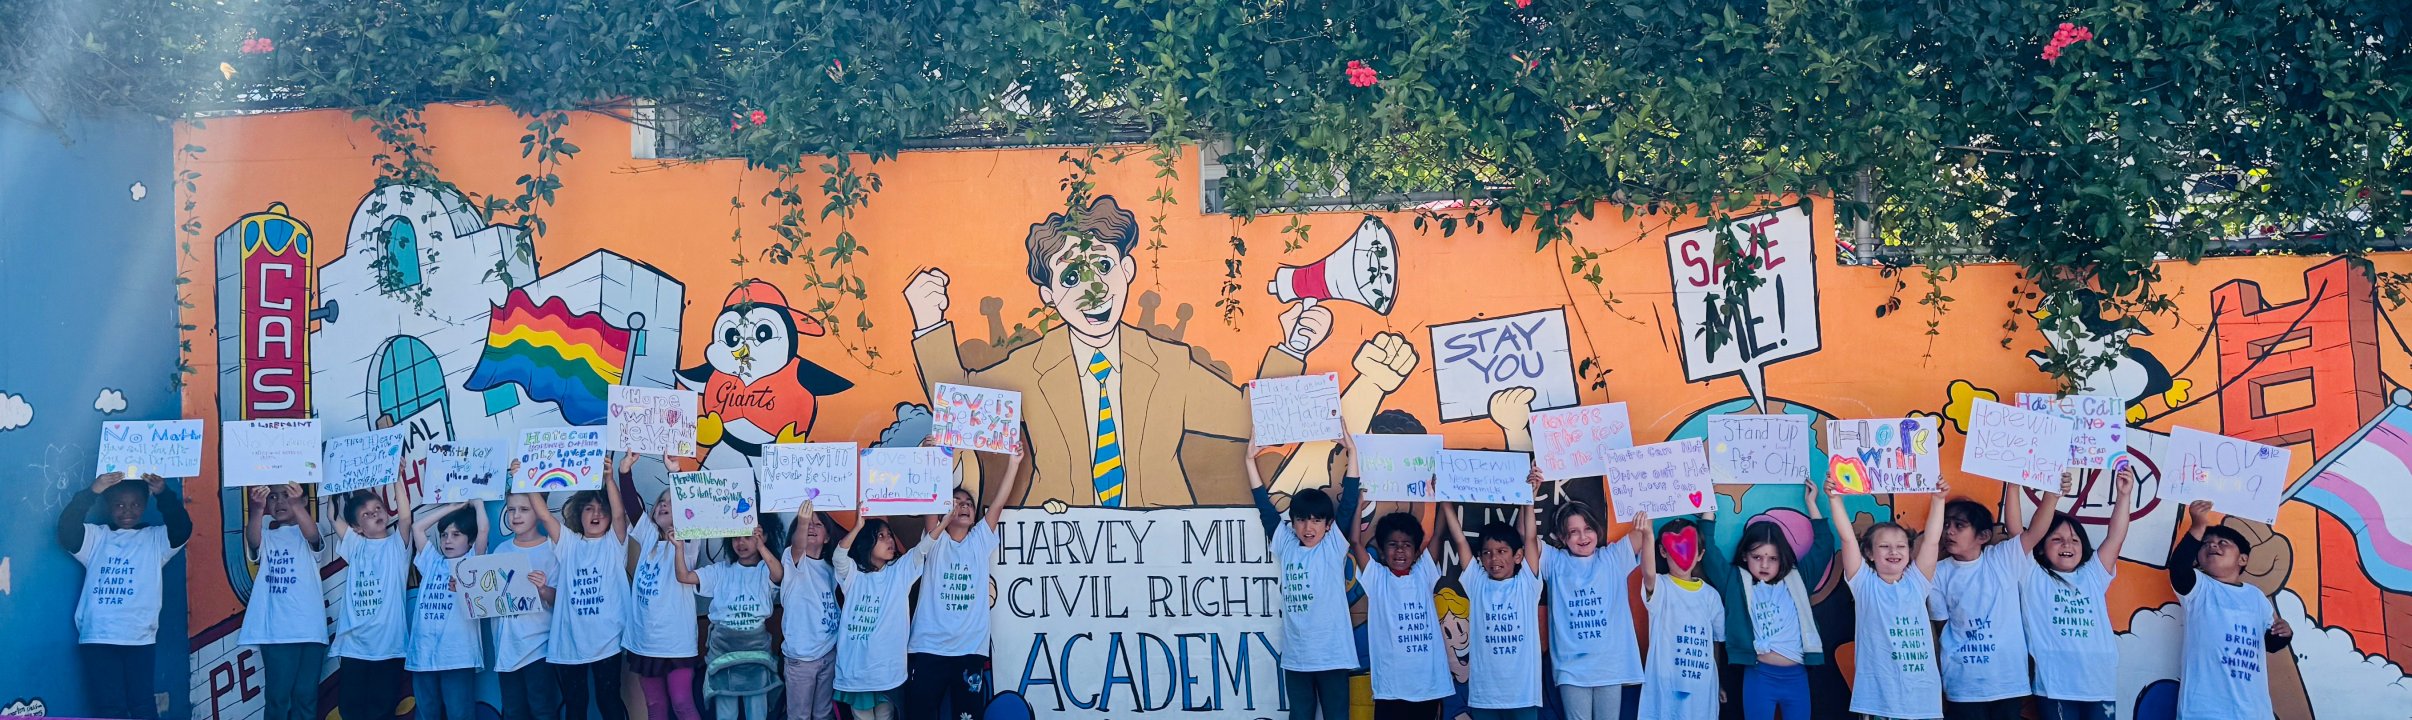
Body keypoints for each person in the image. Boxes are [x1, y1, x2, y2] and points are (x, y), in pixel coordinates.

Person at [902, 194, 1334, 508]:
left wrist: (1293, 346)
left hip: (1159, 548)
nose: (1092, 290)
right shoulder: (1032, 368)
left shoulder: (1169, 365)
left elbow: (1247, 419)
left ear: (1127, 270)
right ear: (1048, 296)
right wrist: (929, 323)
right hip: (1056, 545)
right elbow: (958, 413)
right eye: (1071, 278)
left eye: (1104, 266)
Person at [904, 445, 1025, 720]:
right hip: (929, 648)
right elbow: (930, 505)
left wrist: (1014, 463)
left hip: (970, 650)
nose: (964, 506)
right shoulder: (936, 541)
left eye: (968, 503)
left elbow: (998, 504)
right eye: (956, 502)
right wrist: (932, 459)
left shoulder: (979, 541)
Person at [1247, 434, 1363, 720]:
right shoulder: (1286, 544)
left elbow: (1348, 502)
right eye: (1301, 519)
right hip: (1297, 658)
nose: (1308, 528)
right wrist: (1248, 460)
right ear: (1293, 522)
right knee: (1299, 715)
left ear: (1328, 525)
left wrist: (1353, 452)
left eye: (1316, 520)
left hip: (1332, 656)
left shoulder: (1332, 546)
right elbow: (1265, 509)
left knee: (1337, 716)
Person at [59, 471, 191, 720]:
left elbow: (181, 529)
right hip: (99, 636)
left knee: (142, 705)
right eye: (119, 505)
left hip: (139, 637)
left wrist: (163, 494)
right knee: (110, 707)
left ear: (145, 504)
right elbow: (67, 530)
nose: (127, 511)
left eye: (135, 504)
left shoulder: (156, 539)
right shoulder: (96, 537)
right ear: (107, 505)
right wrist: (93, 491)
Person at [1929, 484, 2056, 719]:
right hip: (1962, 685)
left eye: (1959, 525)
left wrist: (2052, 494)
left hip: (2007, 682)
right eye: (1946, 524)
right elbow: (1941, 627)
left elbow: (2035, 532)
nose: (1949, 531)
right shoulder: (1937, 572)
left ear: (1984, 536)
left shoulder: (2002, 559)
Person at [1704, 485, 1827, 720]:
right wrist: (1708, 504)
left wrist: (1812, 504)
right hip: (1759, 675)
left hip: (1797, 676)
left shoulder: (1798, 579)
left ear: (1782, 559)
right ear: (1744, 556)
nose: (1764, 565)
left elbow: (1823, 548)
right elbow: (1709, 553)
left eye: (1773, 558)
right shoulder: (1736, 582)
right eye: (1757, 557)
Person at [1828, 482, 1949, 720]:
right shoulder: (1864, 583)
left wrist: (1938, 500)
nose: (1894, 551)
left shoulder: (1918, 581)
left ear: (1909, 551)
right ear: (1869, 554)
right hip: (1878, 700)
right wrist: (1834, 499)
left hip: (1922, 698)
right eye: (1884, 546)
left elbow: (1932, 541)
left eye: (1900, 546)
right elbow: (1848, 539)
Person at [2022, 465, 2135, 720]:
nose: (2067, 544)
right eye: (2057, 539)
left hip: (2099, 684)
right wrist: (2047, 495)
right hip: (2055, 685)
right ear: (2040, 548)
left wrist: (2124, 496)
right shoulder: (2032, 575)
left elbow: (2116, 537)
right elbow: (2020, 532)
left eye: (2075, 540)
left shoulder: (2093, 574)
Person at [2169, 500, 2293, 720]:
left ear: (2242, 559)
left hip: (2254, 713)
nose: (2212, 546)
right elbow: (2178, 567)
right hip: (2203, 711)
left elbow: (2270, 642)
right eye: (2205, 544)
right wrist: (2198, 526)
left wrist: (2284, 633)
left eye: (2223, 542)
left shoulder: (2256, 597)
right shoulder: (2199, 588)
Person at [1441, 466, 1546, 720]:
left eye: (1502, 551)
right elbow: (1460, 540)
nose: (1494, 558)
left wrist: (1529, 497)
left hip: (1523, 694)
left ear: (1518, 556)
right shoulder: (1477, 582)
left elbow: (1530, 538)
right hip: (1484, 696)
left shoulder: (1527, 584)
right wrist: (1443, 499)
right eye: (1487, 553)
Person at [1538, 498, 1643, 720]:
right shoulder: (1554, 561)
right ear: (1563, 537)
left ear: (1596, 530)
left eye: (1587, 529)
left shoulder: (1612, 557)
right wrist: (1528, 496)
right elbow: (1526, 536)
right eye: (1573, 532)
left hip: (1609, 667)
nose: (1583, 537)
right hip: (1571, 669)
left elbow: (1642, 532)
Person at [1353, 503, 1452, 720]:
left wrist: (1443, 499)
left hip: (1427, 686)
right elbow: (1355, 542)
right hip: (1391, 688)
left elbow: (1438, 535)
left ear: (1416, 552)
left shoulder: (1423, 573)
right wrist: (1359, 503)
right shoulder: (1377, 578)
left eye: (1407, 545)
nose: (1399, 550)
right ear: (1381, 551)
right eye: (1393, 544)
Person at [554, 454, 634, 720]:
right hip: (570, 641)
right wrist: (525, 479)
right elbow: (543, 516)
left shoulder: (614, 543)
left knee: (608, 699)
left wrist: (609, 479)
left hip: (608, 640)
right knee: (575, 704)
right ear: (579, 514)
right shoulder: (568, 543)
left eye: (602, 509)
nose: (596, 513)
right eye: (589, 508)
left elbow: (620, 513)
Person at [678, 521, 784, 720]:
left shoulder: (765, 569)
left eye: (748, 536)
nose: (740, 542)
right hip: (723, 652)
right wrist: (678, 547)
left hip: (756, 652)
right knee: (726, 713)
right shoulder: (721, 570)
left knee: (757, 712)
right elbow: (684, 576)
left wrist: (761, 546)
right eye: (736, 537)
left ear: (762, 536)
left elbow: (779, 575)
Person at [240, 482, 328, 720]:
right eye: (273, 497)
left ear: (303, 500)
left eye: (286, 496)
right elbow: (253, 541)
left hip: (310, 630)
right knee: (278, 699)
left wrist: (297, 506)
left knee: (306, 696)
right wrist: (257, 509)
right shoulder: (266, 534)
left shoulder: (311, 529)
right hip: (277, 632)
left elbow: (312, 535)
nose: (279, 502)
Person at [833, 512, 931, 719]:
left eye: (890, 535)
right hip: (857, 673)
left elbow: (924, 547)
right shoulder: (853, 575)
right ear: (866, 541)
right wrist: (857, 527)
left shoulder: (900, 571)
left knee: (886, 716)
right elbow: (839, 557)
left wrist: (944, 520)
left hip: (887, 674)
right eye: (881, 536)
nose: (890, 540)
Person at [629, 466, 705, 720]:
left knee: (682, 703)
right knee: (655, 705)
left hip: (677, 642)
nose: (664, 505)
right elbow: (631, 505)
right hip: (646, 642)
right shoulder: (648, 536)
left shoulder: (689, 538)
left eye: (671, 502)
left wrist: (676, 473)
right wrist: (625, 471)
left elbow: (689, 501)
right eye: (661, 501)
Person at [1633, 511, 1724, 720]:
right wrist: (1647, 534)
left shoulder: (1710, 596)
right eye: (1675, 550)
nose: (1682, 557)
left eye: (1689, 549)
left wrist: (1719, 681)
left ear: (1700, 554)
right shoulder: (1662, 587)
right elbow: (1648, 574)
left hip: (1701, 689)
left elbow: (1716, 642)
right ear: (1663, 552)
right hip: (1665, 687)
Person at [332, 490, 413, 720]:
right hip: (353, 645)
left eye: (378, 508)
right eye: (366, 514)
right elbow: (333, 517)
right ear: (357, 528)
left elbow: (405, 518)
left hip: (388, 646)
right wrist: (333, 488)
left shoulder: (396, 546)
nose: (375, 514)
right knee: (351, 710)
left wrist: (397, 478)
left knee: (382, 710)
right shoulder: (355, 545)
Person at [408, 502, 488, 720]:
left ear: (469, 540)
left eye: (456, 534)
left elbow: (483, 530)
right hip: (423, 653)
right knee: (426, 713)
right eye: (444, 535)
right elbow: (417, 528)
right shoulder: (432, 562)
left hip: (457, 655)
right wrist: (452, 506)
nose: (447, 540)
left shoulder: (471, 561)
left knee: (459, 713)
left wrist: (478, 503)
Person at [494, 491, 564, 720]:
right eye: (511, 509)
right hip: (507, 648)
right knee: (513, 711)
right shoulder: (501, 551)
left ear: (539, 511)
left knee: (542, 708)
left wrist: (543, 589)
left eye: (524, 509)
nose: (516, 515)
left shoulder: (552, 549)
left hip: (538, 647)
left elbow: (561, 600)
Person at [780, 502, 844, 720]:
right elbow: (798, 547)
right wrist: (802, 521)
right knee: (799, 716)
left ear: (827, 537)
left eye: (818, 524)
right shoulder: (793, 561)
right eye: (807, 523)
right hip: (801, 659)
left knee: (823, 713)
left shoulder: (831, 567)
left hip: (828, 652)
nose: (811, 527)